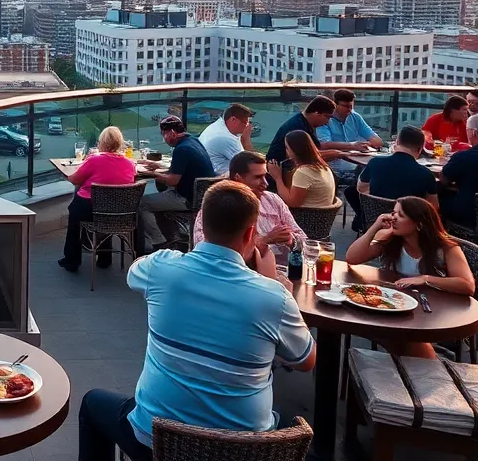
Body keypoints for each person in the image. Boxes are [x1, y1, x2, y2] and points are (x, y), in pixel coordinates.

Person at [78, 182, 316, 461]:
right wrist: (271, 281)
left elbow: (135, 271)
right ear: (251, 232)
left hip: (157, 442)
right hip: (242, 450)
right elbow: (306, 361)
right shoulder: (273, 297)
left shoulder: (161, 269)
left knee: (92, 404)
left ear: (204, 222)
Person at [345, 196, 476, 359]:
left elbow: (467, 285)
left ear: (419, 224)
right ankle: (423, 368)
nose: (393, 218)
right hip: (397, 308)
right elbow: (352, 258)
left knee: (393, 333)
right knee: (383, 328)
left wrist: (425, 278)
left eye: (400, 215)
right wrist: (374, 227)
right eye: (393, 213)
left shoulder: (445, 248)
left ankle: (430, 367)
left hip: (432, 313)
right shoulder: (391, 239)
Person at [192, 151, 306, 260]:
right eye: (258, 177)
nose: (265, 184)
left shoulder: (272, 200)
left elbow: (304, 241)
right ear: (238, 178)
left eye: (265, 177)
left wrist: (292, 241)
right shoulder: (215, 209)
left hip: (282, 271)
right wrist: (264, 241)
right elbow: (207, 256)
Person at [59, 126, 137, 273]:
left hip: (90, 208)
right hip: (120, 211)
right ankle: (104, 258)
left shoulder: (94, 160)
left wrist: (66, 176)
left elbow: (76, 180)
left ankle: (72, 260)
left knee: (74, 214)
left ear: (102, 142)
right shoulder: (130, 163)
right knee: (106, 209)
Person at [137, 116, 215, 250]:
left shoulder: (181, 150)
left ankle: (158, 242)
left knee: (142, 203)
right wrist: (158, 165)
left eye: (164, 135)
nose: (164, 139)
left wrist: (151, 174)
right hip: (201, 197)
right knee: (159, 199)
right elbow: (182, 169)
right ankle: (173, 237)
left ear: (172, 133)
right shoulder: (193, 141)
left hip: (187, 198)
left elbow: (173, 181)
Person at [348, 126, 438, 230]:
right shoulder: (426, 174)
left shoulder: (375, 163)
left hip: (375, 223)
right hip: (408, 228)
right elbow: (433, 207)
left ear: (396, 142)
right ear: (420, 149)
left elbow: (361, 189)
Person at [265, 96, 341, 189]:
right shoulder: (297, 128)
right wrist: (339, 154)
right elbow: (307, 155)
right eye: (327, 117)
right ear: (317, 113)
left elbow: (314, 149)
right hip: (285, 169)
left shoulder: (306, 123)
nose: (327, 122)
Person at [315, 89, 382, 193]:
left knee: (374, 172)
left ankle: (366, 201)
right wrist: (352, 145)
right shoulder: (326, 118)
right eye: (346, 106)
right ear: (335, 105)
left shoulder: (355, 117)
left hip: (355, 162)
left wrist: (370, 143)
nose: (350, 110)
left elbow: (377, 141)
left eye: (351, 106)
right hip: (333, 163)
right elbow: (323, 145)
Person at [439, 112, 478, 229]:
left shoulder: (463, 157)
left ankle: (441, 238)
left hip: (469, 218)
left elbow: (443, 180)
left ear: (473, 132)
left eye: (467, 130)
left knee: (438, 194)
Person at [276, 131, 336, 209]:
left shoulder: (303, 172)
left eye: (287, 148)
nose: (286, 151)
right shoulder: (324, 167)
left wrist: (277, 177)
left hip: (306, 217)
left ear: (295, 150)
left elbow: (292, 203)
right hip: (321, 216)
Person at [198, 103, 255, 175]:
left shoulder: (218, 126)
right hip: (217, 178)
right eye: (245, 123)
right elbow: (252, 163)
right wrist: (246, 138)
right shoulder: (225, 138)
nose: (248, 127)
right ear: (233, 119)